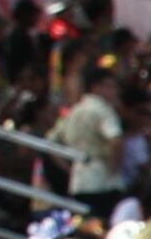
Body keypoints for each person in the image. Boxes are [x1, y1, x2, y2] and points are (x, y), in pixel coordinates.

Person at [53, 56, 127, 220]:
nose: (114, 91)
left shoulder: (74, 111)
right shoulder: (103, 110)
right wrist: (115, 167)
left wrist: (67, 166)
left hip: (79, 180)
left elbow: (52, 142)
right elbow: (116, 140)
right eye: (109, 86)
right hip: (103, 180)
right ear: (95, 87)